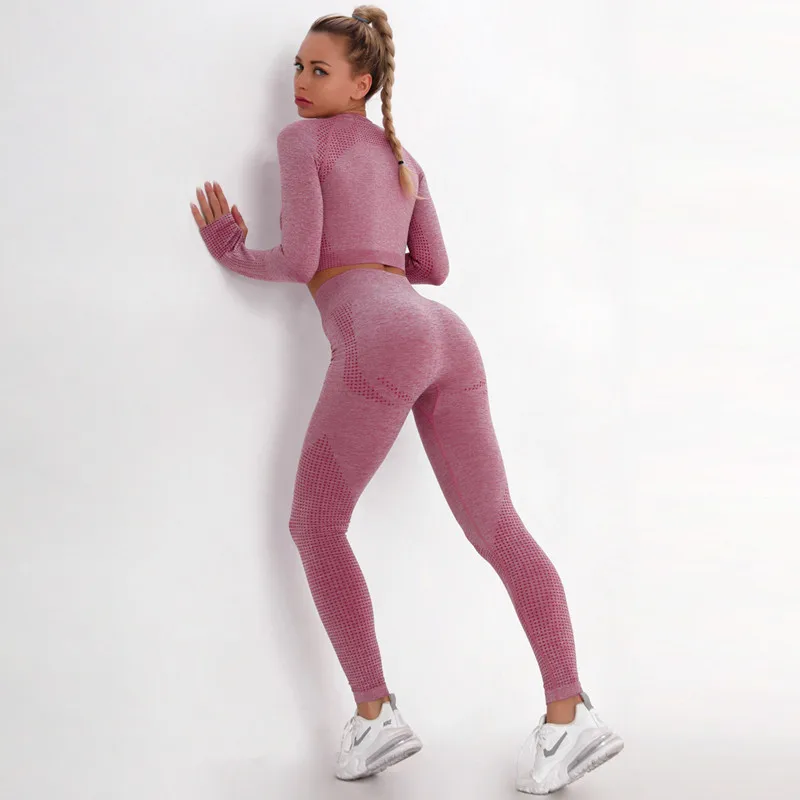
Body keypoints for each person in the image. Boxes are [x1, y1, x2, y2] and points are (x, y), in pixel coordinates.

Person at [190, 5, 624, 793]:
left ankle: (375, 714)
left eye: (319, 70)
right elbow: (436, 267)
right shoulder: (403, 156)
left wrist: (232, 249)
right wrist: (374, 258)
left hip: (384, 336)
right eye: (297, 67)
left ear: (361, 82)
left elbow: (299, 260)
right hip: (445, 333)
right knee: (499, 527)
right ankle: (571, 714)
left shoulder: (303, 142)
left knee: (314, 523)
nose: (301, 82)